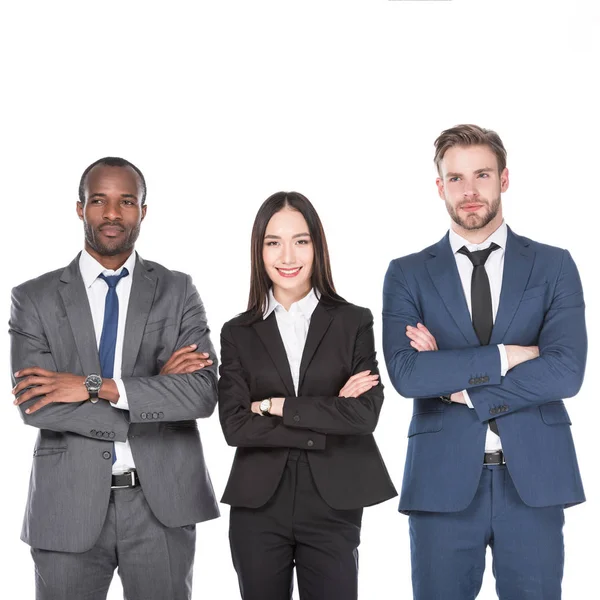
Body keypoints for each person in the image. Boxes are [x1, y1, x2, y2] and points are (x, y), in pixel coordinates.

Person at [382, 124, 587, 599]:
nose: (469, 191)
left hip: (533, 478)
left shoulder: (554, 266)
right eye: (455, 179)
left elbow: (566, 370)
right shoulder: (407, 273)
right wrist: (508, 355)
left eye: (482, 175)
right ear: (439, 187)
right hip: (441, 481)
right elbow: (410, 375)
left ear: (504, 179)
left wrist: (460, 386)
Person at [10, 157, 219, 600]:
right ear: (80, 208)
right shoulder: (33, 298)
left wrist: (97, 386)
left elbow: (201, 394)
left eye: (126, 201)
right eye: (99, 201)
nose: (111, 214)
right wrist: (153, 391)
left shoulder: (178, 290)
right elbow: (37, 403)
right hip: (65, 505)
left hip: (161, 504)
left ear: (143, 210)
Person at [218, 191, 397, 600]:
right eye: (273, 242)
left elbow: (364, 416)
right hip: (258, 506)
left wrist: (272, 406)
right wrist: (327, 415)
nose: (287, 255)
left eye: (300, 241)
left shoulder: (353, 320)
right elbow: (234, 425)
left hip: (334, 502)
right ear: (258, 250)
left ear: (317, 246)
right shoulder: (238, 332)